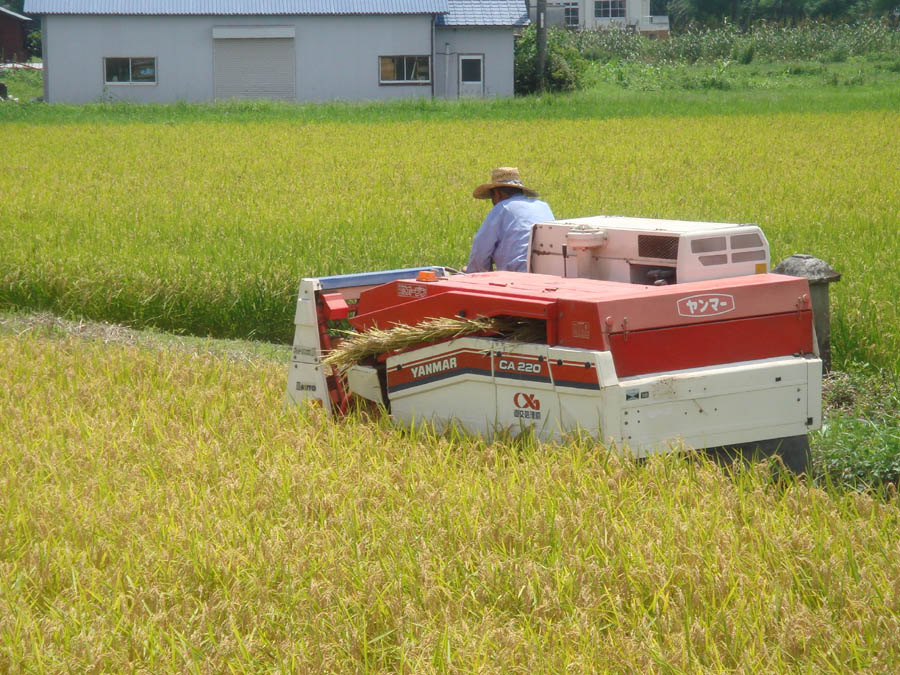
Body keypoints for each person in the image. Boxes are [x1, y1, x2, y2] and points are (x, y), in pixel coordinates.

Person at [466, 167, 554, 273]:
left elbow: (480, 251)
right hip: (550, 273)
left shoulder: (502, 207)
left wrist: (473, 274)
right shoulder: (543, 206)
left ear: (497, 193)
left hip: (517, 275)